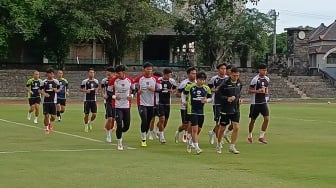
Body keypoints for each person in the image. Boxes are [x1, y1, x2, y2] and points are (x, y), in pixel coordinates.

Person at [182, 72, 212, 154]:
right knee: (194, 129)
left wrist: (207, 100)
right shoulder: (190, 86)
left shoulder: (206, 88)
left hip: (201, 111)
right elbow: (183, 93)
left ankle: (190, 142)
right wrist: (184, 101)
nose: (202, 81)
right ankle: (197, 148)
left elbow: (210, 98)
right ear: (197, 79)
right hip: (192, 110)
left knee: (199, 129)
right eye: (200, 80)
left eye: (203, 80)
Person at [134, 62, 161, 147]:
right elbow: (133, 87)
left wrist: (154, 89)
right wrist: (137, 91)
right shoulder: (139, 78)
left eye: (150, 69)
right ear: (144, 69)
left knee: (148, 121)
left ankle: (144, 134)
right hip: (141, 103)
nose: (149, 71)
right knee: (144, 120)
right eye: (147, 69)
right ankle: (143, 139)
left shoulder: (155, 79)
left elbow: (160, 89)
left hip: (151, 104)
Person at [216, 67, 242, 154]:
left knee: (236, 127)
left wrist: (240, 99)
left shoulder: (239, 83)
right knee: (222, 128)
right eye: (234, 75)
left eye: (237, 75)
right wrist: (227, 98)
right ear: (230, 74)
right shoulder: (225, 84)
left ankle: (232, 146)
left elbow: (238, 94)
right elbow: (219, 95)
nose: (236, 77)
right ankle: (219, 143)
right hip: (225, 109)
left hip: (236, 108)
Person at [108, 65, 135, 150]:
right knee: (119, 124)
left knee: (126, 126)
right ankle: (119, 143)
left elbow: (134, 89)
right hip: (117, 106)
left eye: (119, 73)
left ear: (123, 72)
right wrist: (115, 97)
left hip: (127, 105)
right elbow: (109, 92)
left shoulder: (129, 80)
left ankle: (119, 132)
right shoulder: (113, 81)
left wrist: (132, 95)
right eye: (116, 73)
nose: (117, 75)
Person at [247, 64, 270, 144]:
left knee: (266, 119)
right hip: (255, 103)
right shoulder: (255, 80)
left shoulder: (267, 79)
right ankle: (250, 135)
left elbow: (266, 88)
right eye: (263, 70)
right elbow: (249, 91)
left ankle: (261, 136)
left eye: (266, 70)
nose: (264, 72)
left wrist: (267, 96)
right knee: (253, 120)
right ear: (259, 70)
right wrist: (258, 91)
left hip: (263, 102)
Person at [174, 67, 197, 143]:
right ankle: (178, 131)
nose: (194, 75)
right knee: (185, 125)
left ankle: (187, 135)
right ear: (188, 74)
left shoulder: (197, 82)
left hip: (194, 107)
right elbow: (177, 93)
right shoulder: (184, 83)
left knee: (192, 123)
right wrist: (185, 97)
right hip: (184, 107)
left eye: (195, 73)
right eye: (192, 73)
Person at [207, 63, 227, 144]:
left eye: (225, 68)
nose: (224, 70)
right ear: (218, 69)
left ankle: (212, 132)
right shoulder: (214, 79)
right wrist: (214, 90)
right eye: (222, 68)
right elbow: (208, 89)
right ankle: (219, 140)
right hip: (217, 102)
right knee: (218, 121)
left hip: (225, 103)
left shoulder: (228, 79)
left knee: (224, 121)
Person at [156, 68, 177, 143]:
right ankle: (162, 137)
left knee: (166, 120)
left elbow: (174, 89)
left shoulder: (172, 81)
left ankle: (159, 130)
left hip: (168, 102)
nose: (169, 76)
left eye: (170, 75)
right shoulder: (158, 80)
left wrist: (172, 91)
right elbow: (155, 89)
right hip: (159, 102)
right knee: (162, 119)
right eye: (168, 75)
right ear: (164, 74)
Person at [39, 68, 60, 134]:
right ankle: (46, 128)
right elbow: (40, 90)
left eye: (52, 73)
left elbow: (59, 89)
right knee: (46, 115)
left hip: (53, 101)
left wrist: (56, 90)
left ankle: (50, 123)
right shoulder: (44, 82)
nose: (51, 75)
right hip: (46, 101)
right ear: (47, 74)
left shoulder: (56, 81)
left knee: (53, 117)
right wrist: (44, 94)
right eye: (50, 73)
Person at [80, 68, 99, 132]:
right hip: (86, 100)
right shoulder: (84, 81)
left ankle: (90, 122)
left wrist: (96, 91)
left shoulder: (96, 81)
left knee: (94, 114)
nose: (92, 74)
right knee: (86, 114)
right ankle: (86, 125)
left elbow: (97, 88)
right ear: (88, 73)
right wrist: (86, 91)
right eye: (90, 72)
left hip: (94, 100)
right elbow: (81, 89)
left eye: (93, 72)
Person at [101, 67, 116, 143]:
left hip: (117, 102)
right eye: (107, 74)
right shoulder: (104, 81)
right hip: (108, 101)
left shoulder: (117, 80)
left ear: (114, 74)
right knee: (109, 118)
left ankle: (110, 129)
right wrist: (103, 95)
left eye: (109, 74)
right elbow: (103, 89)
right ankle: (108, 135)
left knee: (113, 120)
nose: (108, 76)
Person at [148, 71, 163, 140]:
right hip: (152, 102)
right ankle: (150, 133)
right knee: (152, 119)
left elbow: (161, 90)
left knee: (161, 119)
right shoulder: (152, 82)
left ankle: (156, 130)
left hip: (159, 103)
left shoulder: (161, 83)